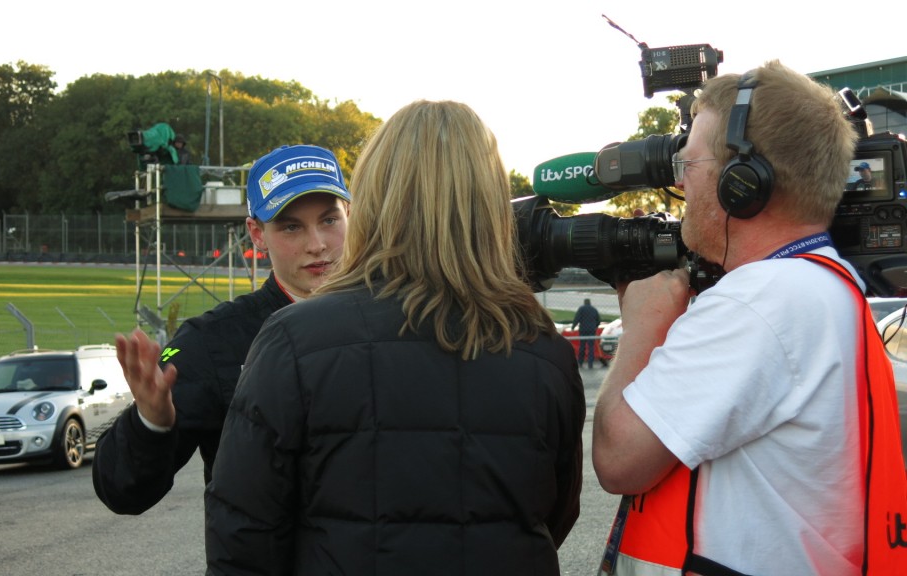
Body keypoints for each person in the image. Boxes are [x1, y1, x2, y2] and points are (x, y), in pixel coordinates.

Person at [205, 100, 586, 575]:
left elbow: (243, 540)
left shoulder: (294, 339)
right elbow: (554, 515)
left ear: (373, 197)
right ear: (490, 201)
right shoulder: (542, 345)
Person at [592, 60, 907, 575]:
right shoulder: (820, 284)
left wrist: (641, 329)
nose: (682, 188)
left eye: (687, 166)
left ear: (743, 184)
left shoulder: (760, 300)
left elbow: (617, 458)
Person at [92, 144, 350, 516]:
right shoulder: (213, 341)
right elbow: (122, 491)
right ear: (257, 233)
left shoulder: (401, 319)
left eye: (329, 220)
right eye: (291, 226)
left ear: (351, 215)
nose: (317, 245)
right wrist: (150, 423)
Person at [571, 297, 601, 369]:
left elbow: (577, 318)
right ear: (590, 303)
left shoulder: (581, 309)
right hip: (591, 330)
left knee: (582, 346)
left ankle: (580, 362)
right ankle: (590, 363)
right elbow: (598, 320)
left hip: (583, 330)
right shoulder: (594, 309)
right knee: (591, 347)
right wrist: (595, 326)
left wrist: (573, 327)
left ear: (584, 303)